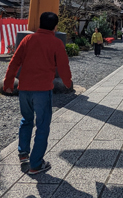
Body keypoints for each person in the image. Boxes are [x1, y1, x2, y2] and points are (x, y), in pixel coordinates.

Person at [3, 12, 72, 175]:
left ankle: (23, 153)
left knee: (26, 120)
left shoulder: (27, 40)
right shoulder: (56, 43)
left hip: (24, 89)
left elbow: (14, 61)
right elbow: (63, 65)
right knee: (42, 125)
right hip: (42, 90)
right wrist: (67, 83)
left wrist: (8, 83)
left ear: (40, 23)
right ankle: (36, 164)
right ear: (55, 26)